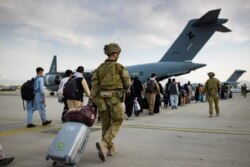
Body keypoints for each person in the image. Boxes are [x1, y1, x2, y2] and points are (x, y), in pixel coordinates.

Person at [90, 43, 131, 161]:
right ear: (114, 53)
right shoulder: (119, 67)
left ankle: (108, 147)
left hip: (101, 99)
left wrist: (91, 100)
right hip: (114, 99)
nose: (118, 56)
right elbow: (127, 83)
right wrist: (125, 90)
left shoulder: (99, 68)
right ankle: (105, 142)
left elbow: (94, 86)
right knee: (118, 120)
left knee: (106, 123)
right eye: (118, 53)